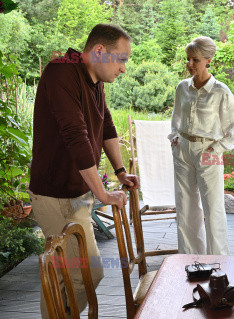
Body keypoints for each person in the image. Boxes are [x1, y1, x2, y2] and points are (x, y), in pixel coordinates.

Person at [29, 24, 139, 317]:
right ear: (100, 51)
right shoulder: (60, 72)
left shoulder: (95, 81)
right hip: (53, 195)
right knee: (70, 275)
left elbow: (107, 126)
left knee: (82, 274)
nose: (123, 68)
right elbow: (75, 136)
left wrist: (119, 171)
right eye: (122, 59)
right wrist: (102, 193)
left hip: (78, 195)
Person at [168, 36, 234, 255]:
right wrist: (174, 137)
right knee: (185, 207)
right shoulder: (182, 87)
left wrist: (217, 148)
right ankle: (189, 259)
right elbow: (176, 116)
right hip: (183, 150)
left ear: (208, 59)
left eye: (195, 60)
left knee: (213, 208)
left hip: (209, 151)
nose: (190, 65)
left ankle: (218, 260)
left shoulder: (221, 91)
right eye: (188, 60)